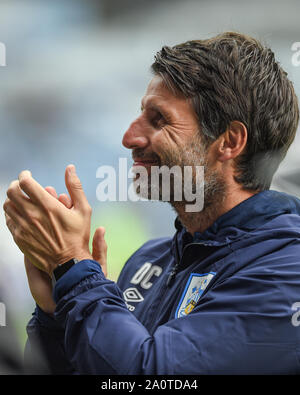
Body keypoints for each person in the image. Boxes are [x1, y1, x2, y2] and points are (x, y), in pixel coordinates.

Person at [3, 31, 300, 375]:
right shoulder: (149, 261)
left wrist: (74, 269)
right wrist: (59, 314)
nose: (130, 137)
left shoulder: (285, 272)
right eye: (140, 114)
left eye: (159, 119)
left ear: (229, 141)